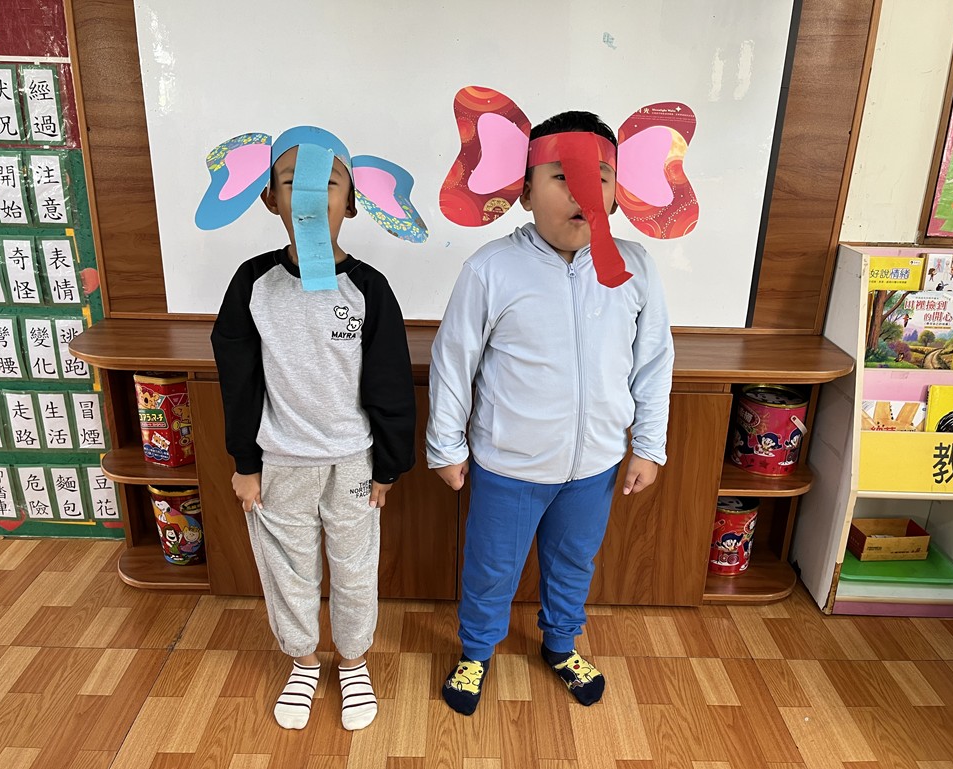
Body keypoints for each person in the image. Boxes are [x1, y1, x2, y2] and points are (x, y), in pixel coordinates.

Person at [427, 110, 674, 715]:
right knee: (492, 568)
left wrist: (648, 445)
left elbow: (653, 362)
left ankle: (561, 645)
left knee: (573, 564)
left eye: (600, 177)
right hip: (509, 465)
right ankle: (476, 652)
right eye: (563, 177)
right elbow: (454, 359)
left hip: (594, 465)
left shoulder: (635, 268)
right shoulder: (491, 268)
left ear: (616, 191)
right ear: (525, 189)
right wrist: (445, 446)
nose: (583, 192)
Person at [211, 126, 417, 731]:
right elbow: (239, 380)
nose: (306, 195)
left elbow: (389, 382)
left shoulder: (369, 288)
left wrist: (387, 466)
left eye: (326, 182)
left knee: (354, 568)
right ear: (269, 199)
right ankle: (302, 660)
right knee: (288, 568)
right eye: (289, 181)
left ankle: (353, 661)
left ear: (350, 202)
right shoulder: (253, 284)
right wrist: (245, 464)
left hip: (352, 461)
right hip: (280, 462)